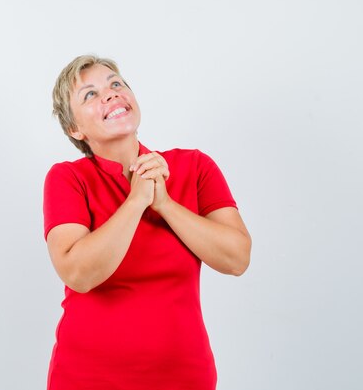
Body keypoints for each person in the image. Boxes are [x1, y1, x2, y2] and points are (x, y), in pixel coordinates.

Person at [43, 55, 252, 390]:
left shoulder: (194, 167)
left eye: (116, 84)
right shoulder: (68, 179)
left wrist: (165, 203)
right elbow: (78, 273)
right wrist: (136, 200)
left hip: (184, 377)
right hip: (87, 378)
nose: (110, 94)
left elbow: (237, 258)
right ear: (74, 128)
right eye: (90, 95)